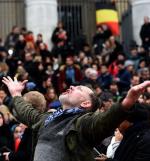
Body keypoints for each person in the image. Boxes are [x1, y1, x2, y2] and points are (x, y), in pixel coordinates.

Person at [2, 76, 150, 161]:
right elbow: (26, 112)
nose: (72, 86)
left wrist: (126, 103)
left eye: (79, 89)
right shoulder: (48, 118)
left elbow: (104, 121)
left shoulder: (82, 123)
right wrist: (15, 94)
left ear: (86, 103)